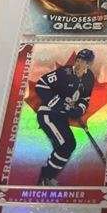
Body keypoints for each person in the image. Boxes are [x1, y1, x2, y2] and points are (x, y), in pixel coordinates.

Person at [34, 49, 96, 186]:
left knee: (67, 146)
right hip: (49, 114)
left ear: (88, 64)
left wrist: (78, 110)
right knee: (66, 145)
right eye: (78, 60)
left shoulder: (89, 78)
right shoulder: (64, 72)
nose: (79, 63)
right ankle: (45, 178)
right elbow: (41, 84)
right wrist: (58, 103)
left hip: (61, 117)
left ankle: (46, 178)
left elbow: (84, 99)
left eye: (83, 61)